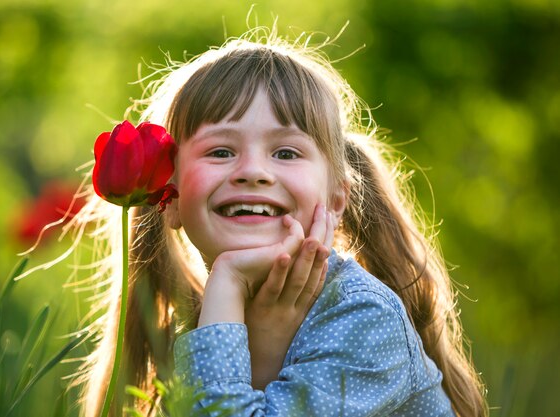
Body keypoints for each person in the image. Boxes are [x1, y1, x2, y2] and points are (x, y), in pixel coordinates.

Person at [75, 28, 488, 417]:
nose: (253, 171)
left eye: (286, 153)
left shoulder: (363, 316)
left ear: (336, 198)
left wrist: (231, 281)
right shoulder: (201, 320)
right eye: (220, 151)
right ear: (169, 196)